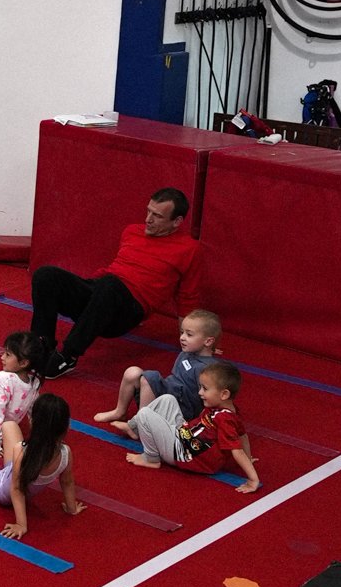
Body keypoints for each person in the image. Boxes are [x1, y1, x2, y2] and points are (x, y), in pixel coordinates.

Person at [30, 187, 204, 379]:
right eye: (148, 211)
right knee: (45, 275)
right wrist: (86, 290)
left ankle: (69, 356)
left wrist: (192, 338)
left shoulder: (189, 249)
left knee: (110, 285)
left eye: (157, 216)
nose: (148, 219)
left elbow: (187, 296)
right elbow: (117, 269)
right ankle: (40, 347)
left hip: (127, 311)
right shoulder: (132, 232)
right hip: (103, 293)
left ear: (177, 222)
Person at [0, 393, 85, 539]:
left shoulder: (21, 451)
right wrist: (71, 508)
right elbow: (67, 481)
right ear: (66, 426)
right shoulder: (66, 453)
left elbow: (16, 489)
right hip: (18, 474)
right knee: (10, 425)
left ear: (32, 421)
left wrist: (21, 525)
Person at [126, 360, 259, 493]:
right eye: (200, 387)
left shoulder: (224, 419)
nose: (200, 392)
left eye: (205, 389)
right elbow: (243, 435)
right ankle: (133, 426)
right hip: (185, 438)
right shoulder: (228, 411)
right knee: (168, 399)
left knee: (144, 414)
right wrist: (249, 457)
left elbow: (236, 449)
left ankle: (151, 458)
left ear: (224, 394)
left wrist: (253, 479)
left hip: (184, 454)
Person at [95, 309, 223, 431]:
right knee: (132, 373)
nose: (182, 337)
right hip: (168, 392)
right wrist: (209, 348)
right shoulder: (190, 352)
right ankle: (120, 412)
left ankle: (140, 426)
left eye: (189, 334)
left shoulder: (207, 369)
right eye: (181, 332)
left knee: (150, 377)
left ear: (208, 341)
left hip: (179, 408)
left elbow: (212, 398)